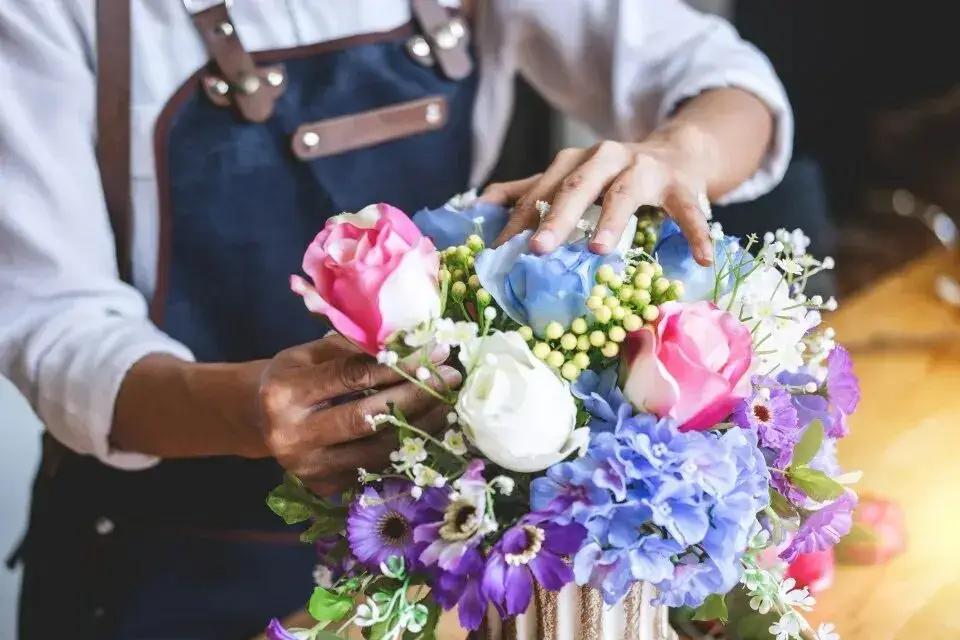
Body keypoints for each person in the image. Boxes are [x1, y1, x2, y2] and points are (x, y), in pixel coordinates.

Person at [0, 1, 791, 638]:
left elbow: (727, 83)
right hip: (153, 567)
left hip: (415, 568)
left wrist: (680, 151)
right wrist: (254, 409)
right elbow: (55, 326)